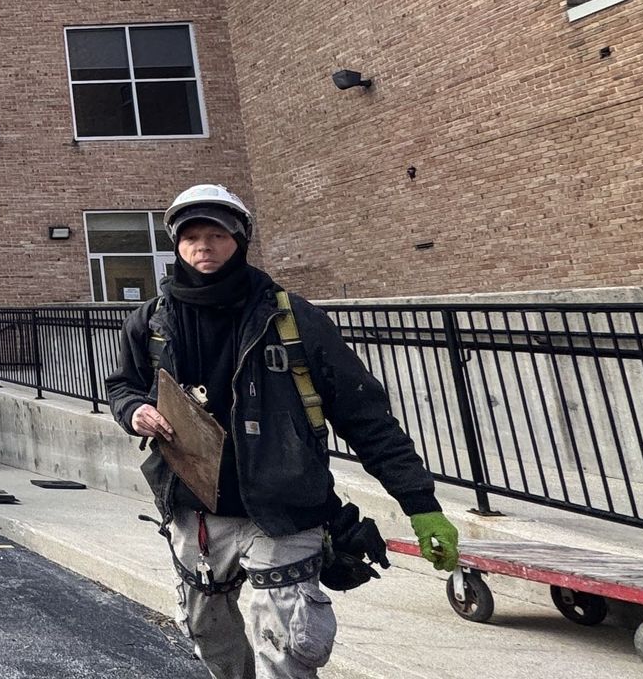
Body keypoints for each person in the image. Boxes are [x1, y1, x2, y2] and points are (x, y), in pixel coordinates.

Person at [105, 184, 461, 679]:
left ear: (240, 240)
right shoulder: (151, 322)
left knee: (288, 642)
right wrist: (134, 411)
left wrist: (421, 505)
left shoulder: (291, 318)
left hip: (284, 510)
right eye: (190, 238)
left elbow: (366, 417)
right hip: (197, 513)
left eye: (216, 235)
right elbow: (122, 386)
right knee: (209, 634)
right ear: (176, 245)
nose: (203, 247)